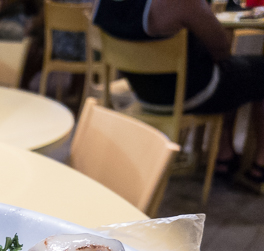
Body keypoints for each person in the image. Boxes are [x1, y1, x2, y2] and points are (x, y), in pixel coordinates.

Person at [93, 0, 264, 184]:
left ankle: (224, 152)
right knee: (246, 71)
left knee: (235, 73)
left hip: (141, 94)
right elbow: (221, 49)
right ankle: (259, 162)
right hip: (191, 95)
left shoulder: (102, 3)